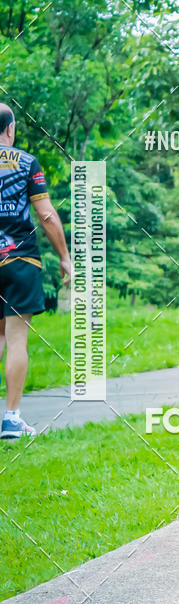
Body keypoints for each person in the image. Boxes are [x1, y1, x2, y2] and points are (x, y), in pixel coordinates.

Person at [0, 105, 72, 439]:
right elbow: (46, 215)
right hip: (20, 260)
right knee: (15, 338)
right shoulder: (27, 163)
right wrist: (64, 256)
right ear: (10, 129)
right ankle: (11, 419)